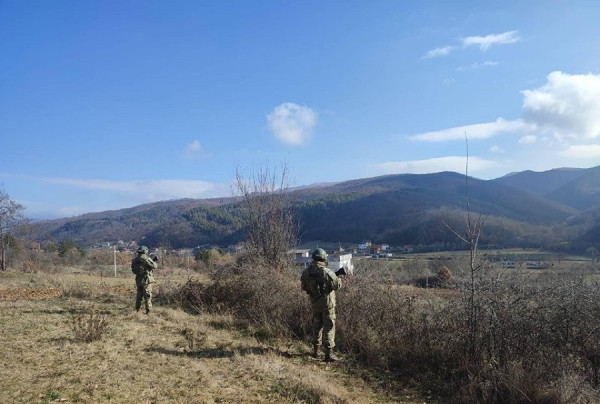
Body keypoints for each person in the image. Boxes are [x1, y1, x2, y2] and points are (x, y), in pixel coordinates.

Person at [301, 248, 342, 362]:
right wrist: (338, 277)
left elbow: (304, 287)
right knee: (329, 328)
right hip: (327, 305)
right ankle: (328, 355)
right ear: (324, 258)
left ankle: (315, 351)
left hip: (314, 304)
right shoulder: (327, 272)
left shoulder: (306, 271)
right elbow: (337, 286)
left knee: (316, 327)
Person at [131, 246, 158, 314]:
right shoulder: (146, 258)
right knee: (148, 296)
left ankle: (137, 310)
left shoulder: (135, 260)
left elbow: (133, 270)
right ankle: (149, 312)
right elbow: (154, 266)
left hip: (138, 280)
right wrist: (153, 261)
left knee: (139, 296)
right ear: (145, 251)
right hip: (146, 280)